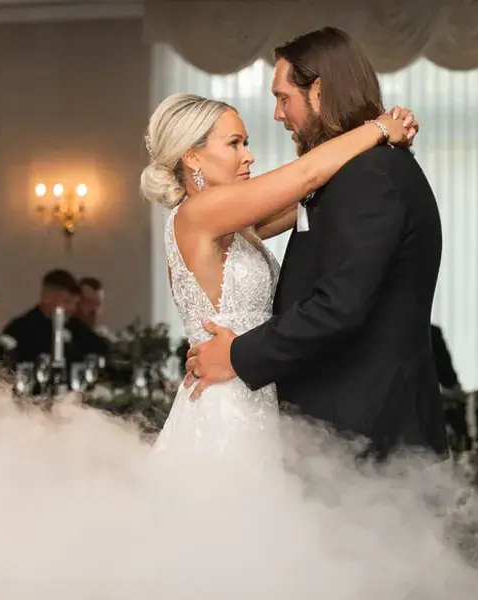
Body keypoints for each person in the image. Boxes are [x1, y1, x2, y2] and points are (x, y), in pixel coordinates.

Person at [183, 27, 447, 461]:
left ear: (319, 91)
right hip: (348, 420)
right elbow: (276, 208)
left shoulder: (368, 177)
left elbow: (339, 305)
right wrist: (381, 127)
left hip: (365, 426)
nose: (278, 115)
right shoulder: (358, 170)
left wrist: (239, 355)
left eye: (283, 97)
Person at [141, 71, 416, 457]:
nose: (248, 155)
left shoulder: (233, 223)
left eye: (247, 143)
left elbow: (315, 193)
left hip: (250, 387)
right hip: (225, 403)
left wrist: (372, 148)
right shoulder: (201, 212)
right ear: (192, 156)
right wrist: (380, 128)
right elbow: (306, 175)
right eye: (234, 143)